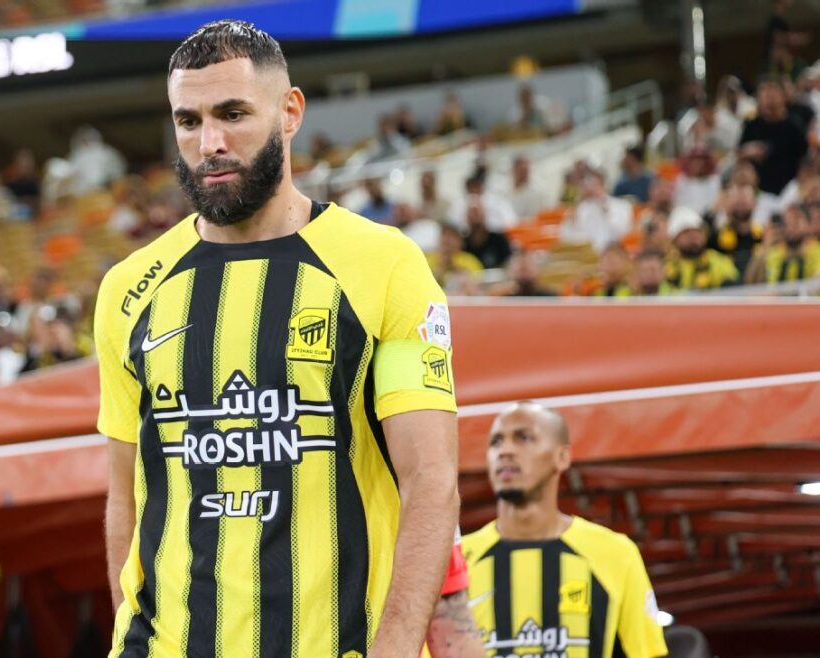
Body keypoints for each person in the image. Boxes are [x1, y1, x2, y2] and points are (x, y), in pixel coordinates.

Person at [95, 20, 474, 658]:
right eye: (188, 121)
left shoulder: (384, 265)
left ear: (290, 112)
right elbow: (124, 493)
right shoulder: (128, 288)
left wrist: (396, 647)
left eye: (232, 114)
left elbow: (431, 480)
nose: (210, 143)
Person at [462, 402, 669, 658]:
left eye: (523, 438)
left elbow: (647, 653)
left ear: (562, 457)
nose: (505, 451)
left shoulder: (615, 553)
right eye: (496, 442)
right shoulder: (457, 560)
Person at [739, 78, 810, 198]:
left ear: (783, 97)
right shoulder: (751, 126)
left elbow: (806, 158)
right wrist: (747, 152)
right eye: (765, 94)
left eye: (773, 94)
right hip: (757, 192)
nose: (769, 98)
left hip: (789, 192)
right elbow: (739, 155)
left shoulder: (795, 126)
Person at [664, 207, 739, 291]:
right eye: (686, 233)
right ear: (674, 239)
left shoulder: (719, 261)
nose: (693, 237)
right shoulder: (664, 267)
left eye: (697, 232)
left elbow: (736, 291)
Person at [760, 203, 820, 283]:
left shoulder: (817, 251)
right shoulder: (776, 253)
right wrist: (764, 248)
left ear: (809, 224)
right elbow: (752, 283)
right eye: (786, 221)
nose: (791, 225)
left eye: (796, 219)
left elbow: (816, 284)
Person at [506, 155, 549, 220]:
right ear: (514, 170)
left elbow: (534, 217)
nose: (524, 174)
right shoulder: (508, 191)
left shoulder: (535, 192)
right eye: (521, 171)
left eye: (526, 171)